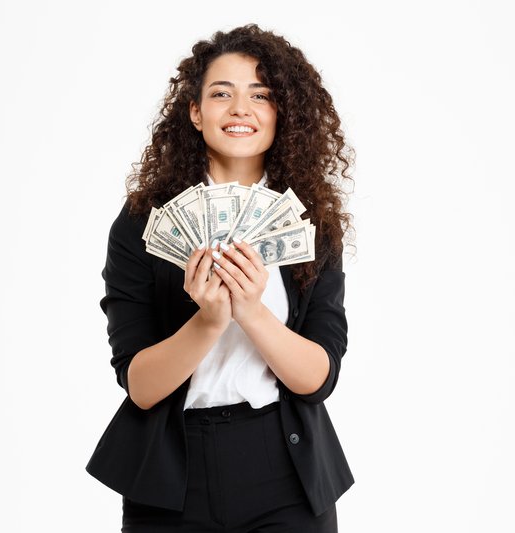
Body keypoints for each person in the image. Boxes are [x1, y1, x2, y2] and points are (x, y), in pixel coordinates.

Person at [85, 23, 355, 532]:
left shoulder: (309, 224)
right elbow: (140, 385)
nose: (240, 109)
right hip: (173, 475)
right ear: (194, 111)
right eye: (221, 94)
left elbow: (318, 376)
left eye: (261, 94)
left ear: (282, 113)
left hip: (286, 471)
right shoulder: (145, 222)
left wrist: (251, 312)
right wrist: (208, 322)